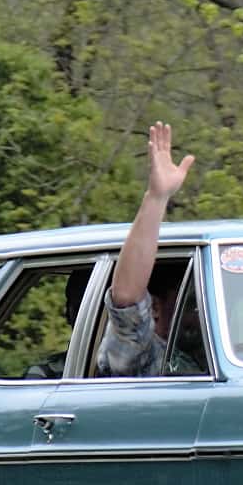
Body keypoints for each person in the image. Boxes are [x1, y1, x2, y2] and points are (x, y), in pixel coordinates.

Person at [97, 121, 196, 377]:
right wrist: (156, 198)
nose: (201, 317)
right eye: (191, 303)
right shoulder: (147, 358)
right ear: (154, 308)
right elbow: (126, 303)